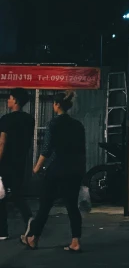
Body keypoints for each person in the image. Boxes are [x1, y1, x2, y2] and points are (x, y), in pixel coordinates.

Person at [22, 91, 86, 252]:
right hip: (75, 170)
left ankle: (33, 238)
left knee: (45, 204)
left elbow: (46, 150)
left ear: (57, 105)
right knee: (72, 206)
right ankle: (75, 241)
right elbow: (81, 151)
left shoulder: (53, 124)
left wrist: (36, 168)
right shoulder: (78, 125)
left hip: (57, 170)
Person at [0, 88, 34, 241]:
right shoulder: (29, 120)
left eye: (10, 98)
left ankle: (2, 231)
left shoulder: (6, 119)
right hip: (21, 162)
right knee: (17, 193)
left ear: (16, 101)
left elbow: (2, 143)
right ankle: (29, 218)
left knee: (1, 196)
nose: (8, 100)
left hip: (5, 163)